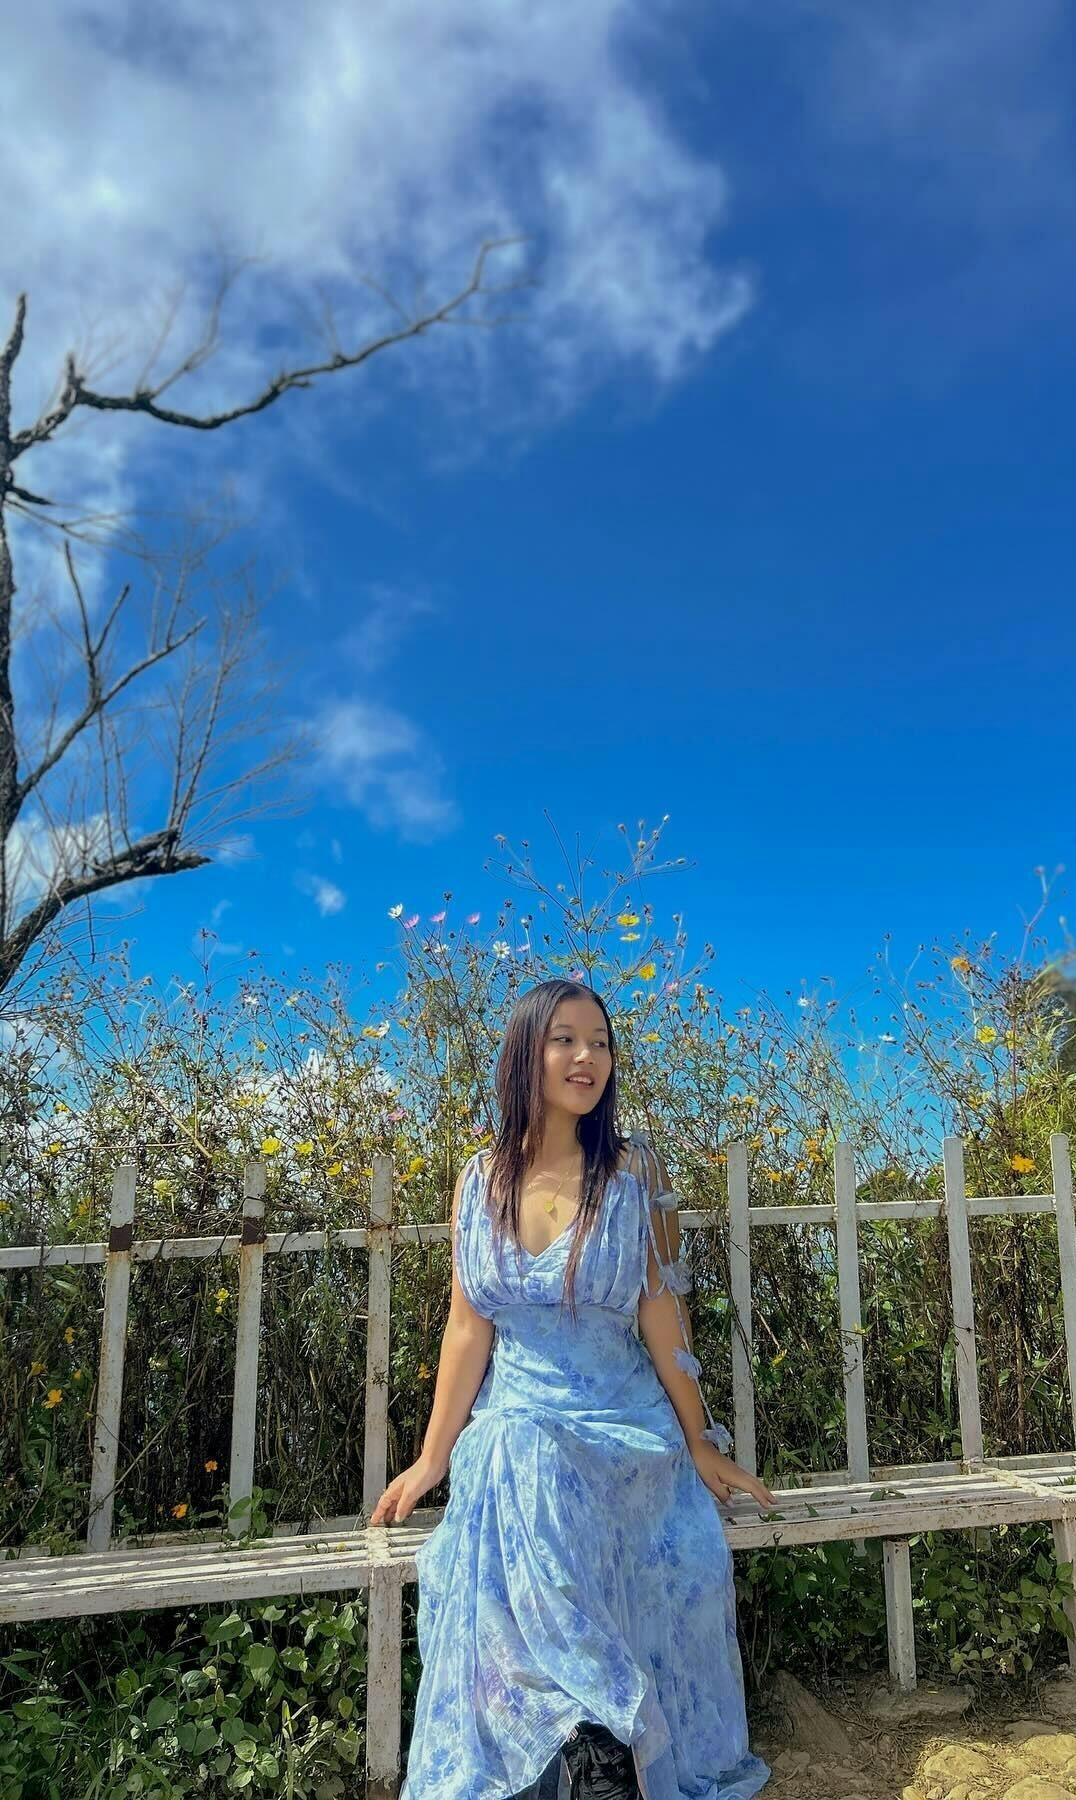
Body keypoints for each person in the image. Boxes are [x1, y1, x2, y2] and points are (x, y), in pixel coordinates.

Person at [371, 979, 775, 1799]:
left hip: (621, 1430)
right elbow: (467, 1328)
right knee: (514, 1448)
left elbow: (661, 1314)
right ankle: (595, 1737)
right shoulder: (478, 1180)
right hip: (515, 1428)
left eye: (600, 1041)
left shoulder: (634, 1173)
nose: (587, 1056)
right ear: (527, 1052)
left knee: (522, 1460)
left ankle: (594, 1739)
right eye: (564, 1039)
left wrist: (700, 1442)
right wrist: (432, 1457)